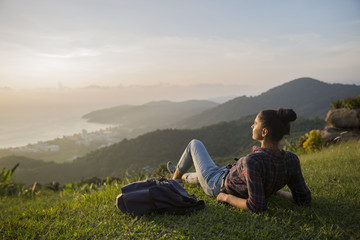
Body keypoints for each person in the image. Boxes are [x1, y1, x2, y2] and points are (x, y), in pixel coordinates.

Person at [167, 108, 311, 213]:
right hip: (227, 173)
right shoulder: (291, 159)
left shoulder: (253, 161)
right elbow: (303, 198)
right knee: (200, 175)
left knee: (194, 144)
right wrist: (277, 192)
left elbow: (256, 206)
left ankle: (175, 179)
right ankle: (181, 174)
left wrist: (226, 198)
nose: (252, 126)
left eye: (255, 123)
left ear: (264, 132)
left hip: (217, 183)